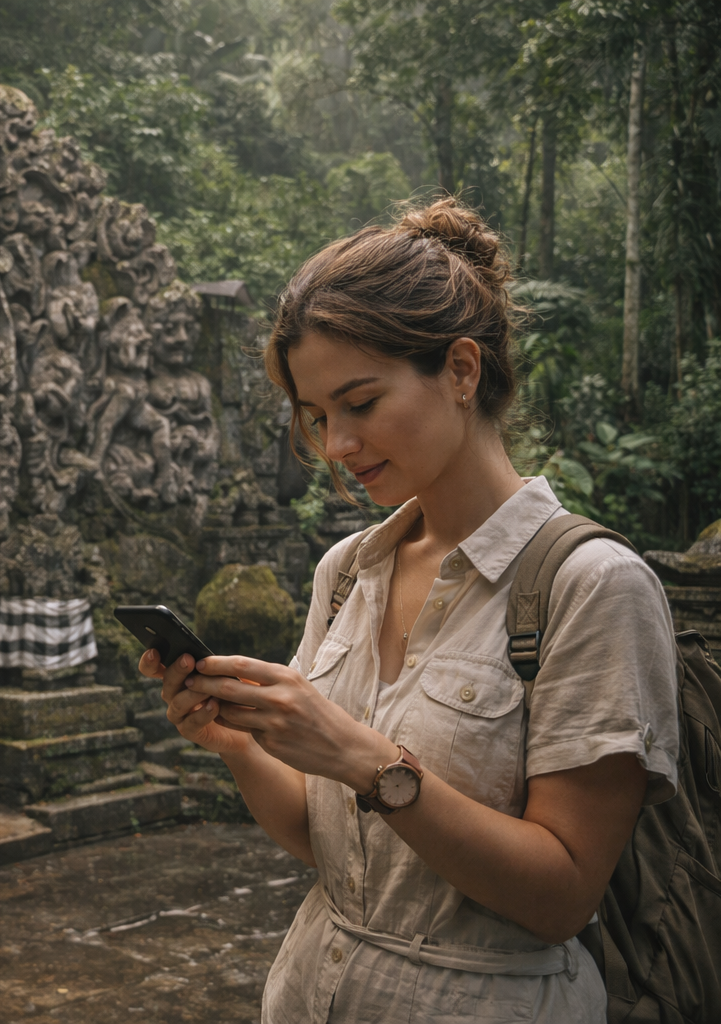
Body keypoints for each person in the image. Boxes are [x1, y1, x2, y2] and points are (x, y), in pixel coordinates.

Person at [142, 197, 681, 1022]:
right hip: (310, 993)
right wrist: (237, 745)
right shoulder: (348, 572)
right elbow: (328, 844)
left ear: (462, 370)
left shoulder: (594, 586)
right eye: (318, 417)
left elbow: (562, 897)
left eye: (360, 403)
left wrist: (365, 760)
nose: (335, 446)